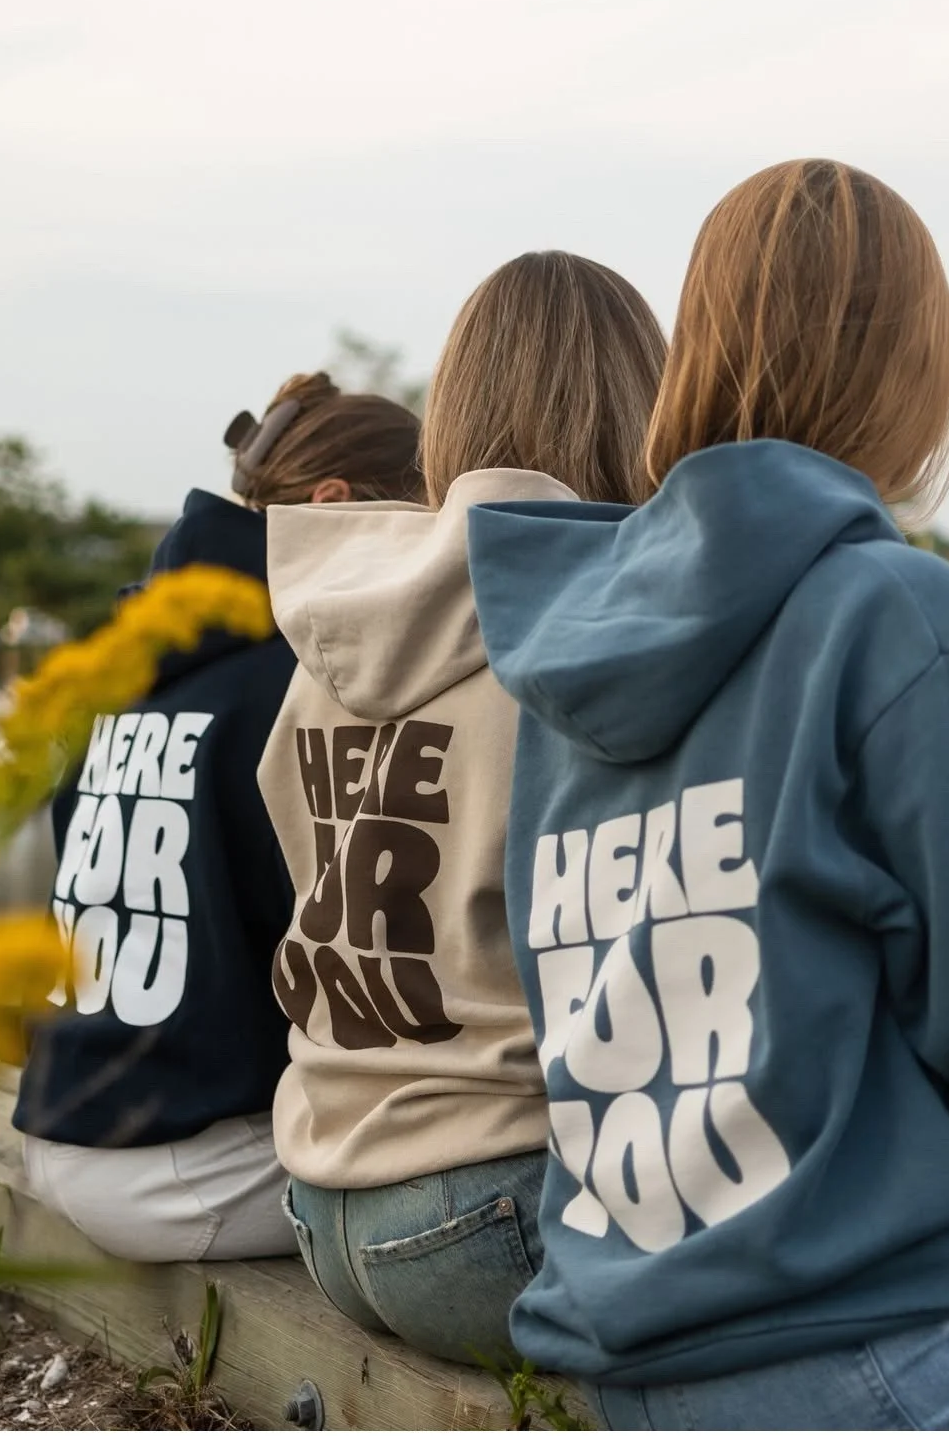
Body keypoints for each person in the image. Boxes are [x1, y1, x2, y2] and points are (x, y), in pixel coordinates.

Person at [466, 160, 949, 1429]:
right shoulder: (897, 615)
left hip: (636, 1354)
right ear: (911, 369)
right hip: (879, 1340)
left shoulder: (561, 645)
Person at [260, 252, 666, 1362]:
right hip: (495, 1209)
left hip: (322, 1202)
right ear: (641, 404)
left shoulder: (331, 621)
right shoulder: (594, 633)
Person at [14, 372, 422, 1262]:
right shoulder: (297, 682)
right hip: (186, 1167)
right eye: (416, 522)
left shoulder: (124, 659)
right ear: (333, 504)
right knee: (468, 1157)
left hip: (61, 1129)